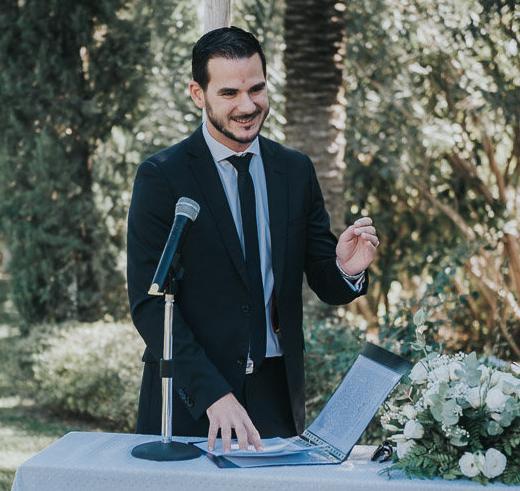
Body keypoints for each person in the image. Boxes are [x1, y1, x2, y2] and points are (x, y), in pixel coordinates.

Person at [126, 26, 378, 454]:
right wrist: (212, 395)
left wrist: (346, 270)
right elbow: (150, 304)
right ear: (197, 93)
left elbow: (325, 280)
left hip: (275, 396)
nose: (248, 105)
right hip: (189, 399)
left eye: (257, 89)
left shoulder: (295, 170)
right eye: (229, 94)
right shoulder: (162, 176)